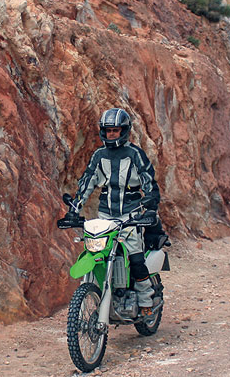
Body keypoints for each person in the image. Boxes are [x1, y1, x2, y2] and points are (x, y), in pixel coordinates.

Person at [66, 107, 162, 314]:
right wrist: (74, 210)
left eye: (115, 130)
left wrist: (150, 206)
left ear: (124, 131)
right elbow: (87, 183)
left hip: (131, 215)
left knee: (135, 258)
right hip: (105, 216)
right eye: (108, 130)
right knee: (96, 252)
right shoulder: (99, 155)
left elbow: (148, 182)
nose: (111, 134)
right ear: (103, 131)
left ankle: (146, 301)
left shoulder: (135, 154)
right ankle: (99, 294)